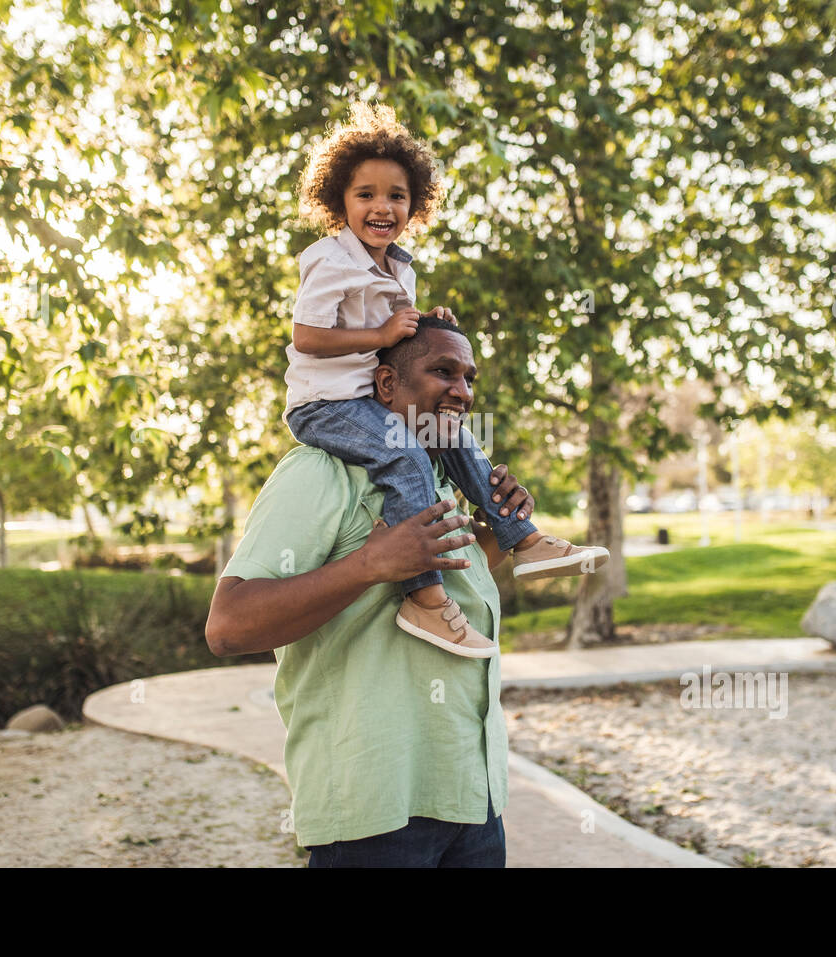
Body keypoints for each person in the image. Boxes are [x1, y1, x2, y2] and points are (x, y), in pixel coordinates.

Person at [283, 101, 607, 659]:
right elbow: (308, 337)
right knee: (405, 453)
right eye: (366, 194)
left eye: (397, 196)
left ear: (416, 204)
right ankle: (424, 601)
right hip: (325, 403)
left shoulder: (399, 266)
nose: (381, 207)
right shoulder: (329, 260)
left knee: (455, 435)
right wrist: (383, 334)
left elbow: (400, 345)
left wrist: (429, 329)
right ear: (339, 200)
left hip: (367, 397)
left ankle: (521, 539)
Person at [206, 318, 530, 867]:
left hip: (475, 801)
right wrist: (368, 566)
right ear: (385, 385)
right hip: (375, 813)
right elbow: (228, 626)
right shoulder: (319, 472)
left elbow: (457, 590)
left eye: (470, 378)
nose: (463, 392)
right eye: (443, 372)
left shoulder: (441, 481)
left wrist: (497, 533)